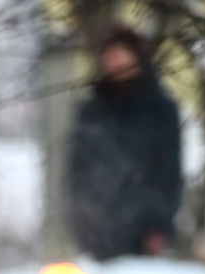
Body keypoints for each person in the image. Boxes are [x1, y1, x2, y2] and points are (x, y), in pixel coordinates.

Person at [66, 27, 182, 260]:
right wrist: (79, 225)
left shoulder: (160, 110)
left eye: (120, 52)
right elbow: (76, 171)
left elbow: (169, 172)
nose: (113, 60)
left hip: (145, 236)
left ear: (136, 56)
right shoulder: (91, 112)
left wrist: (159, 226)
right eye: (108, 54)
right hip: (97, 235)